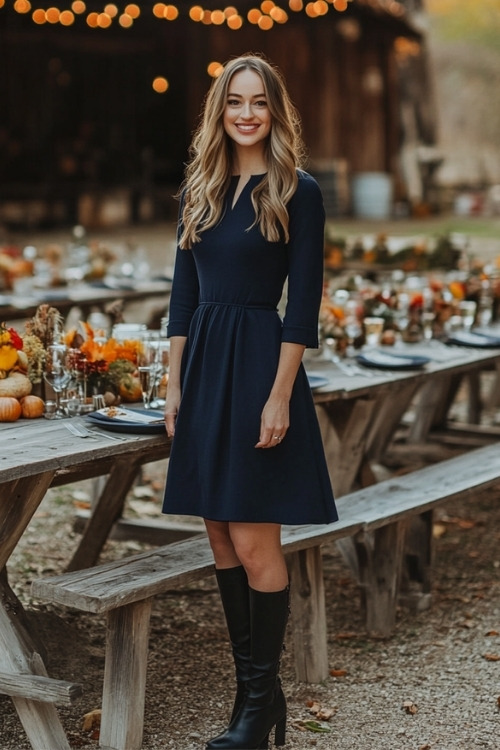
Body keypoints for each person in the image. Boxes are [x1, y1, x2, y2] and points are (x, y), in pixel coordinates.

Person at [162, 53, 338, 750]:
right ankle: (258, 705)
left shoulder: (299, 191)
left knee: (254, 535)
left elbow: (303, 308)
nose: (245, 113)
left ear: (274, 110)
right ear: (219, 110)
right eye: (234, 101)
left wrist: (280, 395)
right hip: (204, 367)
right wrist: (174, 385)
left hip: (262, 363)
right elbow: (181, 298)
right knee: (217, 532)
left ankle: (254, 710)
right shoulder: (199, 188)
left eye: (258, 102)